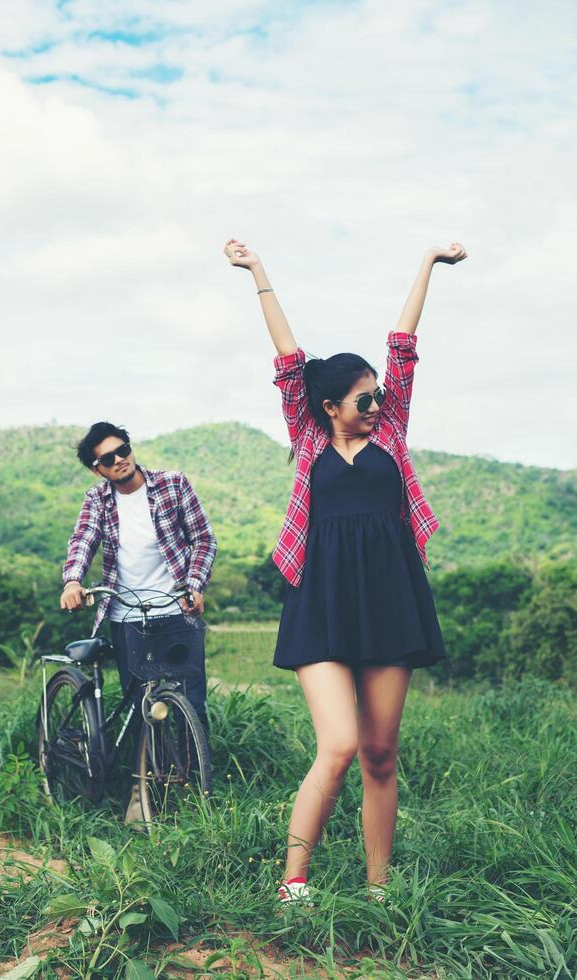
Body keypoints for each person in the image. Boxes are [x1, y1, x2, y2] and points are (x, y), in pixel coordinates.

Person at [223, 237, 467, 903]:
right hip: (322, 603)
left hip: (391, 600)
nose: (376, 405)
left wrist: (427, 264)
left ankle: (378, 888)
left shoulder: (391, 434)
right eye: (362, 399)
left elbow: (402, 344)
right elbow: (288, 361)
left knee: (380, 754)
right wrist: (257, 272)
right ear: (329, 406)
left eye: (378, 396)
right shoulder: (307, 440)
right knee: (337, 747)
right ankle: (293, 884)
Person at [60, 421, 217, 821]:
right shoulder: (97, 499)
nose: (119, 460)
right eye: (107, 458)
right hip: (125, 613)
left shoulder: (173, 485)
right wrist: (73, 580)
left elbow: (203, 538)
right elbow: (83, 540)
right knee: (138, 705)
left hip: (176, 609)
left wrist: (195, 585)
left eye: (122, 449)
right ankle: (139, 791)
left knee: (192, 704)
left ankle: (196, 798)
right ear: (98, 468)